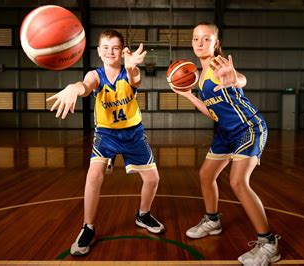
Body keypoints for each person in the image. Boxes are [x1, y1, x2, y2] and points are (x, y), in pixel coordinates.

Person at [169, 22, 281, 265]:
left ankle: (268, 243)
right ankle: (213, 220)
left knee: (238, 181)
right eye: (196, 39)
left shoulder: (220, 65)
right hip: (225, 132)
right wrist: (188, 95)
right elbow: (212, 113)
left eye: (206, 39)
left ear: (216, 43)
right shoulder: (198, 80)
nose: (200, 43)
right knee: (206, 175)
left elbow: (240, 79)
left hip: (248, 127)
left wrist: (236, 79)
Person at [47, 29, 165, 256]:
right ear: (99, 52)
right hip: (107, 135)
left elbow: (135, 79)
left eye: (116, 47)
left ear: (122, 52)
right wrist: (74, 87)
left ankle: (143, 214)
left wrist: (131, 67)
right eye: (106, 47)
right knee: (93, 175)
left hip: (133, 133)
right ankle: (88, 227)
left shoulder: (129, 71)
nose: (110, 51)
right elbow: (86, 86)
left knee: (152, 179)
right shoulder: (96, 75)